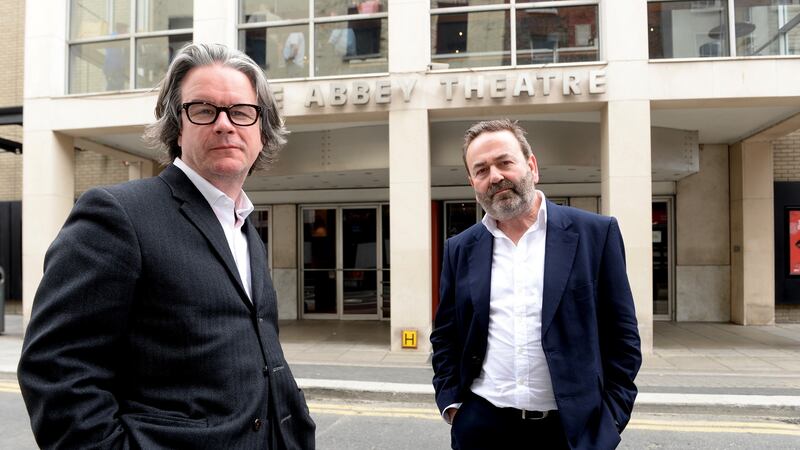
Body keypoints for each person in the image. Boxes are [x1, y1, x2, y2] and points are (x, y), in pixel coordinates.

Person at [18, 43, 315, 449]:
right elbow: (56, 371)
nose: (225, 124)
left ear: (261, 131)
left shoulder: (246, 228)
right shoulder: (118, 214)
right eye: (204, 110)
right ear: (177, 127)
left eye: (242, 112)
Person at [431, 119, 642, 450]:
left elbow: (623, 337)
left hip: (571, 432)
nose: (495, 176)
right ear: (473, 182)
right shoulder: (459, 248)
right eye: (482, 170)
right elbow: (446, 335)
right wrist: (453, 405)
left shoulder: (595, 234)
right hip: (481, 427)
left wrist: (610, 421)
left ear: (532, 166)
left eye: (505, 162)